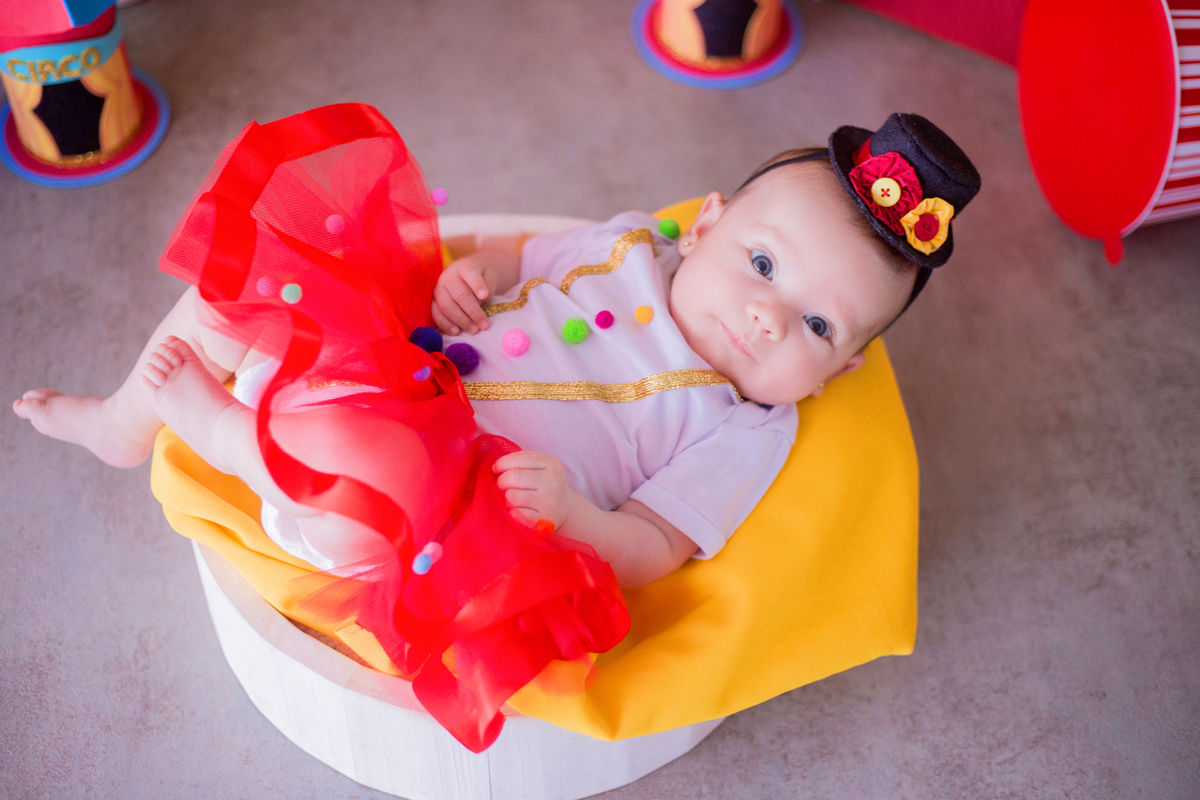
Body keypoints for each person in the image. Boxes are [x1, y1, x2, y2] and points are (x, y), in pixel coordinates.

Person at [12, 104, 979, 750]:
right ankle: (124, 420)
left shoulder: (746, 425)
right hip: (402, 362)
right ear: (710, 222)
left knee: (364, 504)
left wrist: (583, 522)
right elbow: (516, 257)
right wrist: (461, 283)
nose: (771, 317)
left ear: (842, 367)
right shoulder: (633, 243)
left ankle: (228, 437)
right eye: (765, 265)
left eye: (817, 326)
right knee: (252, 280)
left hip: (447, 496)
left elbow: (662, 542)